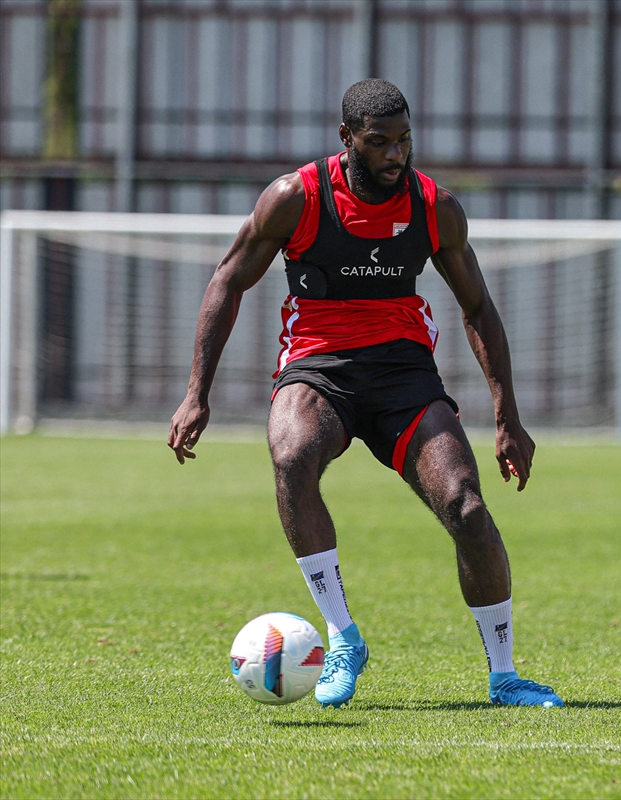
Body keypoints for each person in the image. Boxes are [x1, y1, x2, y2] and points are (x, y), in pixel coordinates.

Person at [168, 79, 562, 710]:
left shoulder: (436, 206)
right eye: (379, 143)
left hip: (403, 372)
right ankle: (343, 636)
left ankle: (506, 676)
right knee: (292, 457)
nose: (395, 155)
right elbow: (227, 281)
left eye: (404, 140)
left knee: (465, 507)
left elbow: (479, 309)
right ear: (346, 138)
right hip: (317, 366)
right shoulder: (295, 198)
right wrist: (197, 393)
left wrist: (507, 417)